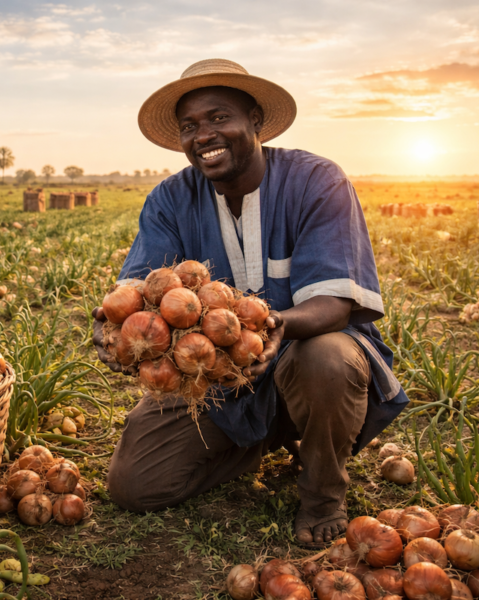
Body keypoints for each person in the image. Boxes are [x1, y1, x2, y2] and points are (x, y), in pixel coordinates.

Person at [91, 58, 408, 547]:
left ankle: (323, 492)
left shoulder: (317, 181)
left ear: (256, 120)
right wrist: (114, 322)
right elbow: (139, 289)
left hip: (306, 357)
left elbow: (335, 303)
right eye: (190, 126)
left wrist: (274, 325)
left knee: (326, 357)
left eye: (219, 118)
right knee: (136, 486)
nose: (204, 135)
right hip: (214, 379)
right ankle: (261, 439)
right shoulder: (170, 199)